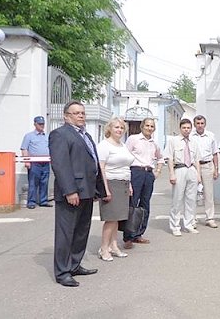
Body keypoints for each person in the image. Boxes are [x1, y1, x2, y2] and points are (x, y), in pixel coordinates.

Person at [49, 101, 106, 287]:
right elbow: (60, 164)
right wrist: (70, 190)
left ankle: (74, 264)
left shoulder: (86, 135)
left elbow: (93, 163)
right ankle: (62, 272)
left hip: (87, 191)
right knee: (66, 233)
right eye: (76, 113)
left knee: (82, 231)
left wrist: (97, 189)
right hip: (72, 193)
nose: (81, 116)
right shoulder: (60, 134)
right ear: (66, 116)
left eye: (82, 112)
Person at [96, 117, 134, 261]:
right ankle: (104, 248)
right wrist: (105, 189)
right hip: (111, 183)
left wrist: (129, 184)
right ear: (109, 129)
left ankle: (114, 246)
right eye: (116, 127)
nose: (119, 130)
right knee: (110, 218)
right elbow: (101, 168)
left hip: (123, 183)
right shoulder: (104, 145)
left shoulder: (122, 145)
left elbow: (126, 166)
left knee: (117, 218)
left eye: (121, 128)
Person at [124, 117, 165, 249]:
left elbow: (160, 158)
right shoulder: (133, 139)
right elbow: (125, 156)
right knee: (132, 204)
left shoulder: (154, 143)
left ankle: (139, 234)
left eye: (152, 126)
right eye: (147, 125)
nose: (149, 128)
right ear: (142, 127)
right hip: (136, 172)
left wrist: (157, 171)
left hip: (148, 174)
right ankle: (128, 236)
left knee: (145, 204)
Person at [167, 118, 202, 236]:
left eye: (188, 128)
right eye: (184, 128)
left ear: (191, 129)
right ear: (180, 128)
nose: (186, 130)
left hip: (191, 169)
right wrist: (171, 173)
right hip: (179, 169)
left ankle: (189, 224)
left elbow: (197, 159)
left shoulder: (194, 142)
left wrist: (198, 175)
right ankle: (175, 226)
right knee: (177, 199)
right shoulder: (173, 141)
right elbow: (170, 158)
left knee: (191, 199)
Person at [191, 115, 219, 228]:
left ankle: (210, 218)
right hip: (193, 167)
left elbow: (215, 153)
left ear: (205, 124)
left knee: (209, 194)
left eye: (202, 123)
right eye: (198, 123)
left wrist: (216, 169)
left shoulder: (211, 136)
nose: (200, 125)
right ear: (194, 124)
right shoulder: (191, 136)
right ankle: (192, 219)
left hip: (207, 165)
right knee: (192, 194)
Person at [21, 116, 52, 209]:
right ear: (35, 124)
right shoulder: (29, 136)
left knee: (44, 182)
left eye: (43, 124)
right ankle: (31, 202)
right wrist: (26, 161)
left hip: (45, 163)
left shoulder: (47, 136)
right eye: (40, 124)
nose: (42, 126)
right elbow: (24, 149)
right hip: (35, 163)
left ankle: (43, 201)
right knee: (33, 183)